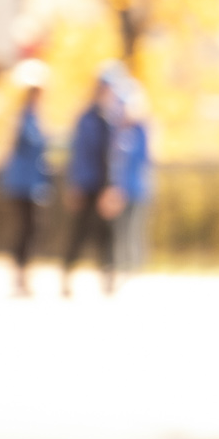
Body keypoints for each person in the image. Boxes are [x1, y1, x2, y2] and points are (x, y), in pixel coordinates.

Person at [58, 73, 122, 296]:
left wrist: (114, 186)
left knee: (107, 233)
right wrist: (75, 184)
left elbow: (115, 157)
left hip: (106, 185)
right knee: (80, 231)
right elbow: (79, 153)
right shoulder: (87, 119)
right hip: (87, 184)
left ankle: (108, 275)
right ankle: (67, 273)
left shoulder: (113, 119)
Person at [0, 73, 53, 295]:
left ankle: (22, 271)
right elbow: (30, 144)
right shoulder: (25, 117)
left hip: (32, 182)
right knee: (27, 228)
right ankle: (20, 272)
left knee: (31, 228)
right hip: (23, 182)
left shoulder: (35, 117)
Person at [107, 84, 154, 283]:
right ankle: (121, 267)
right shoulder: (117, 133)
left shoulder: (141, 132)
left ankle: (134, 269)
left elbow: (145, 159)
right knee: (120, 230)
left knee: (134, 230)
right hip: (119, 190)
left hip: (137, 189)